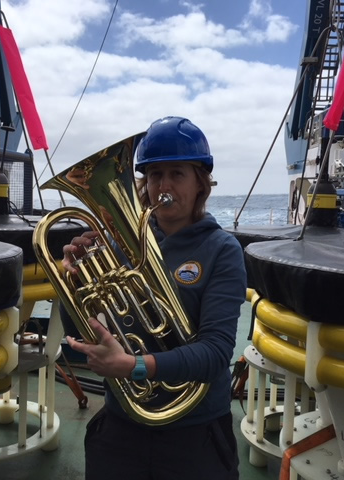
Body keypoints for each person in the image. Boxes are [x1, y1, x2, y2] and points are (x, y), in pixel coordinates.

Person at [63, 116, 247, 480]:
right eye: (154, 174)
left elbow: (215, 353)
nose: (163, 185)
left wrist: (134, 367)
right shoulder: (117, 246)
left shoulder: (221, 250)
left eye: (177, 174)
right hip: (123, 422)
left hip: (195, 432)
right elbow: (83, 340)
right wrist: (73, 284)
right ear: (143, 184)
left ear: (200, 183)